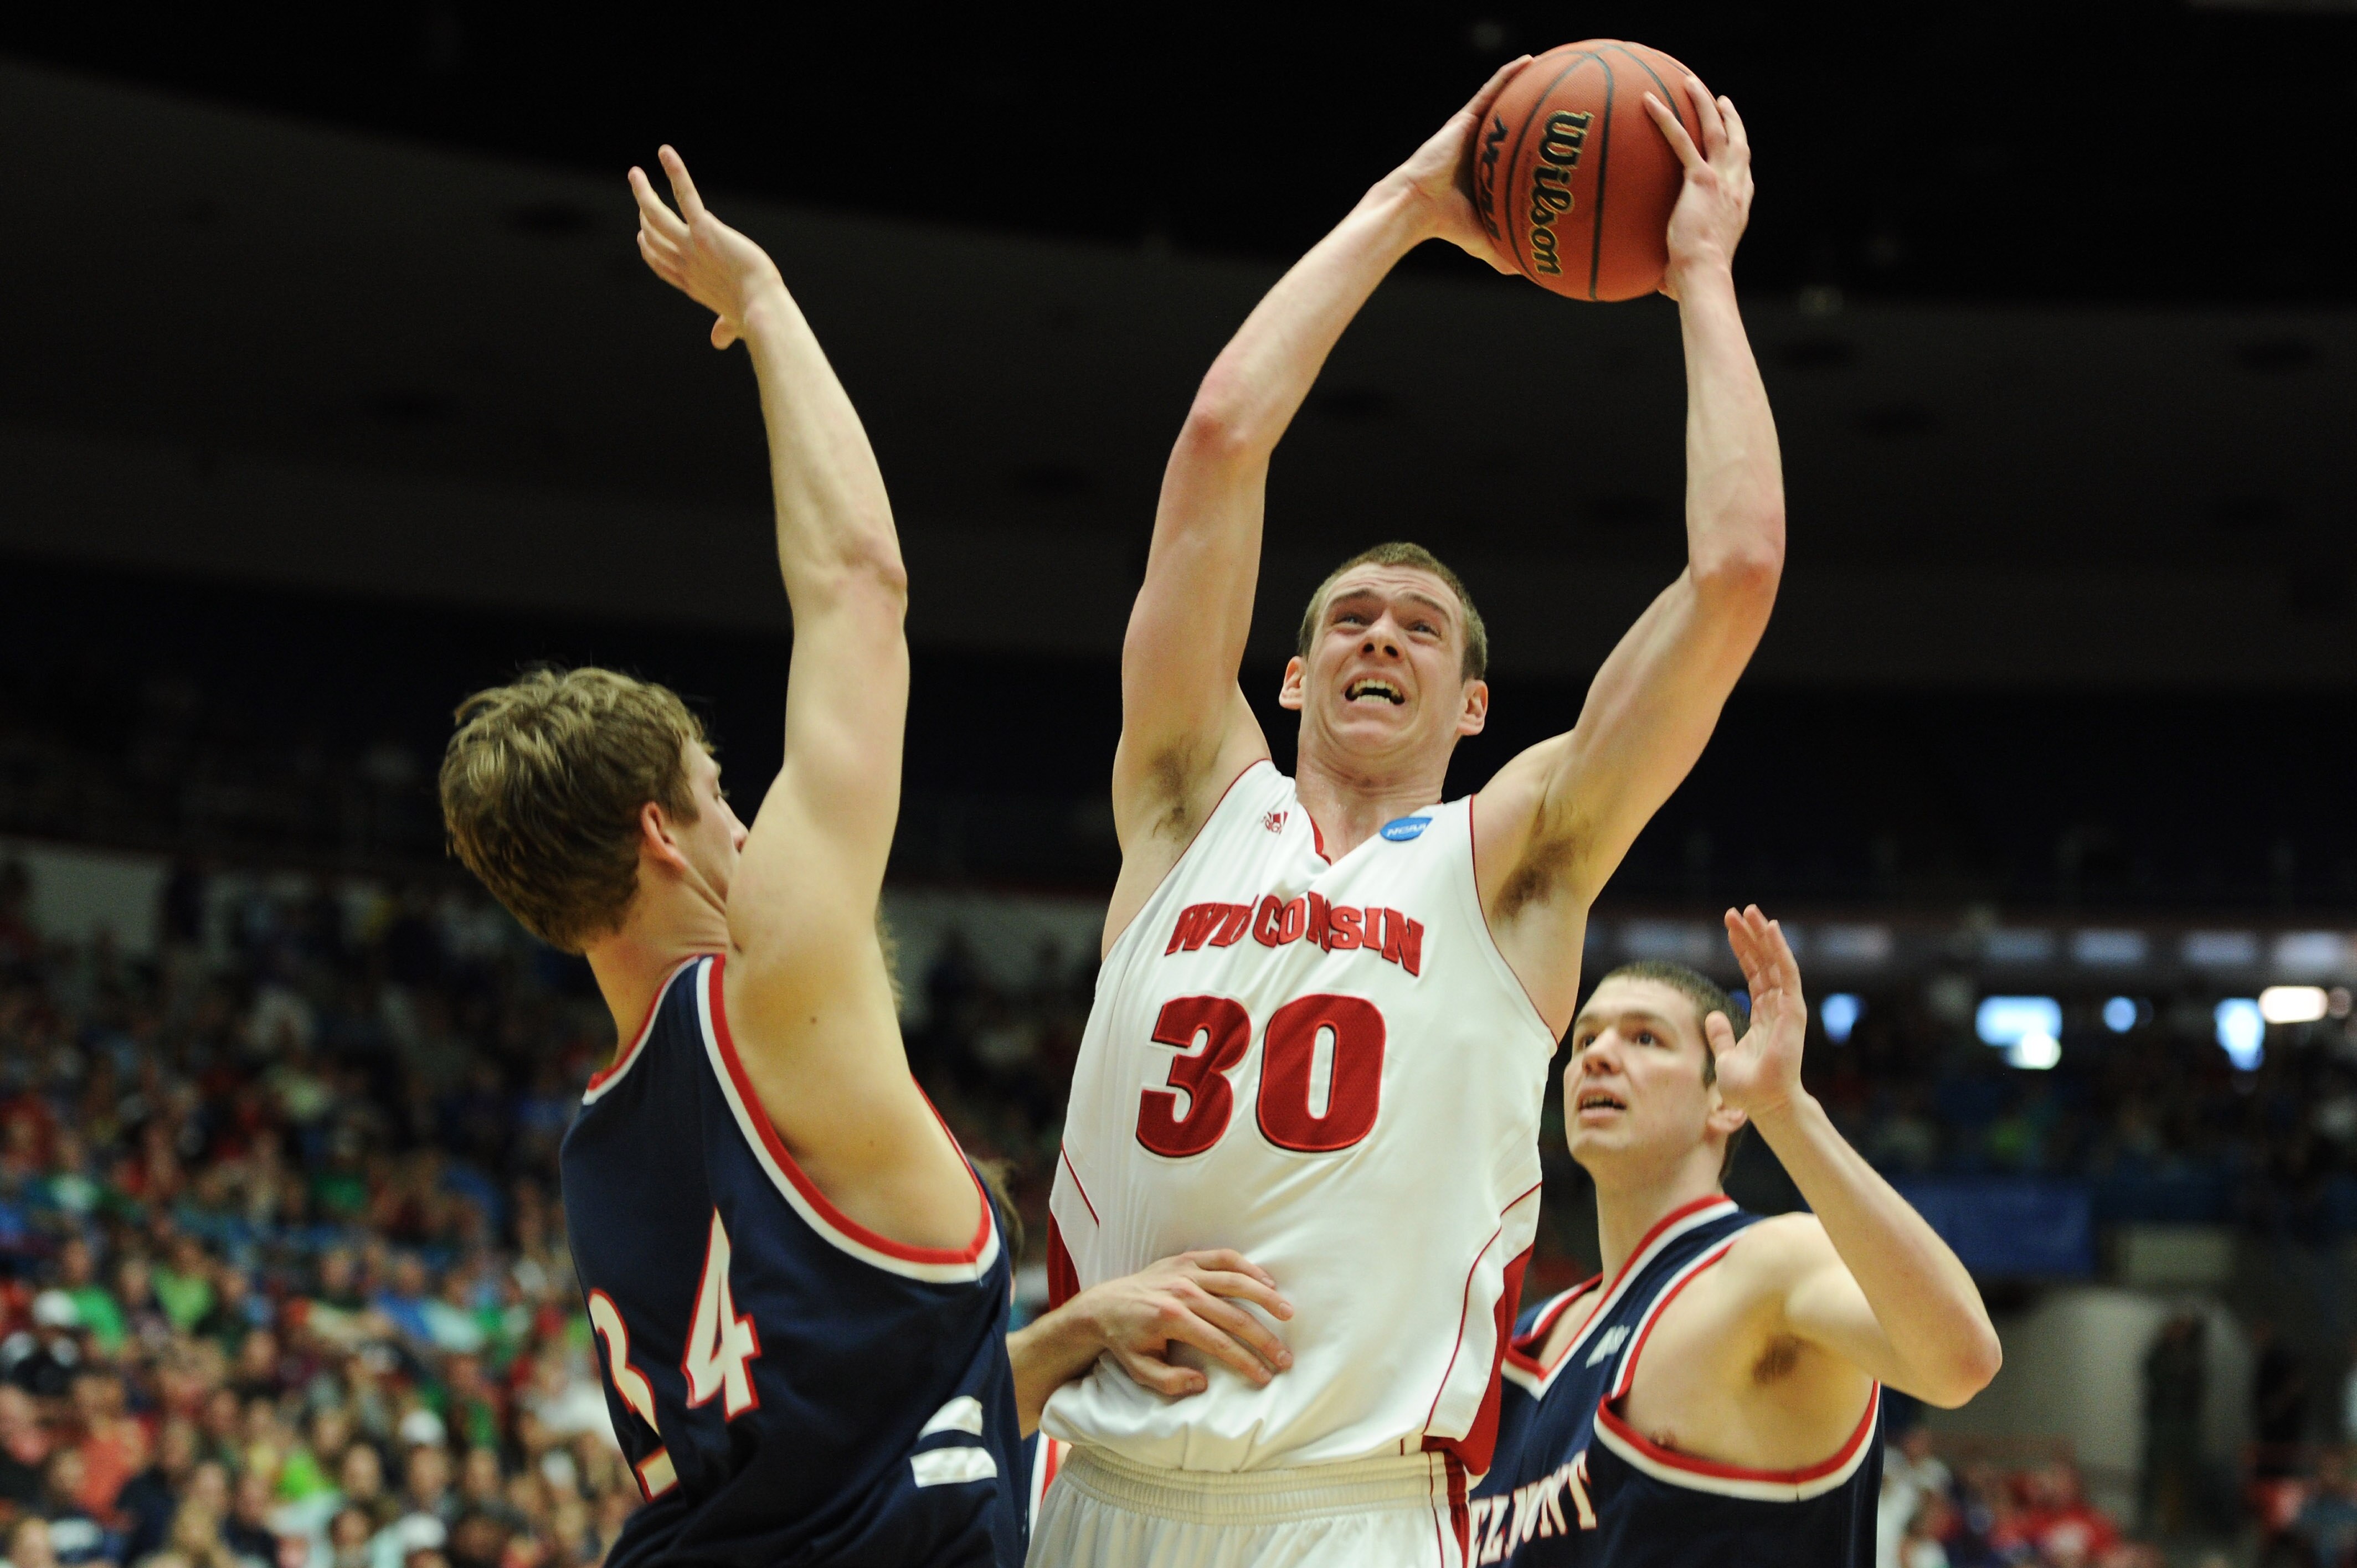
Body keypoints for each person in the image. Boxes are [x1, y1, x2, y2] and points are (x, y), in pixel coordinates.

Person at [436, 148, 1293, 1567]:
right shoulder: (767, 989)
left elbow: (840, 1470)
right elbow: (858, 590)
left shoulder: (600, 1147)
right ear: (663, 834)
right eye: (720, 794)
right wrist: (763, 303)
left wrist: (1066, 1333)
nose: (746, 824)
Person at [1037, 56, 1786, 1567]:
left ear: (1473, 711)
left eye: (1424, 630)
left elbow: (1736, 577)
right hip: (1097, 1496)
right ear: (1296, 678)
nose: (1383, 636)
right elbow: (1218, 445)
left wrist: (1699, 276)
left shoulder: (1511, 866)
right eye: (1353, 622)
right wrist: (1409, 205)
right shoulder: (1188, 804)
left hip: (1355, 1511)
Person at [1465, 909, 2000, 1564]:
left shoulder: (1767, 1267)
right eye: (1584, 1042)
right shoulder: (1523, 1338)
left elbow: (1960, 1360)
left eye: (1644, 1039)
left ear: (1723, 1102)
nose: (1599, 1055)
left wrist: (1786, 1111)